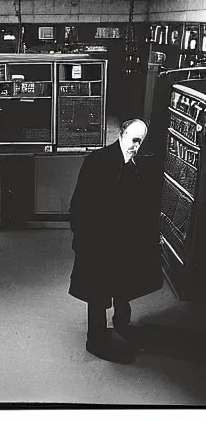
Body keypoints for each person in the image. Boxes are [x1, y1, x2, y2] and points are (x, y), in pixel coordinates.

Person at [69, 119, 163, 364]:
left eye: (141, 141)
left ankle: (122, 324)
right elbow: (79, 205)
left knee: (123, 284)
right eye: (133, 140)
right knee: (97, 292)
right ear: (121, 134)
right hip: (97, 242)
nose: (137, 146)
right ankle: (95, 342)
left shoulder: (136, 164)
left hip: (122, 241)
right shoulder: (97, 161)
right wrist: (84, 241)